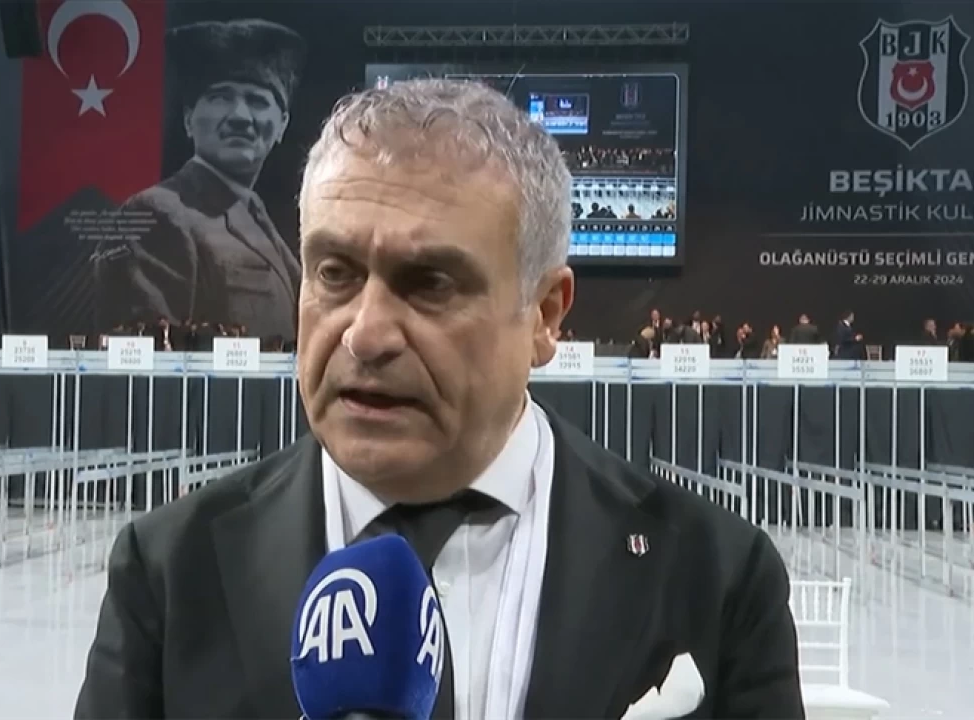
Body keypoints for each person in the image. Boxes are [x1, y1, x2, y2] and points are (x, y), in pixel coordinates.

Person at [74, 78, 804, 719]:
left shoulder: (715, 575)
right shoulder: (170, 570)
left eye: (430, 284)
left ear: (545, 315)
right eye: (334, 273)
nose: (365, 334)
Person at [92, 19, 306, 340]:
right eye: (220, 97)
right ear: (188, 119)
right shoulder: (156, 212)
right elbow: (146, 354)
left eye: (258, 100)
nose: (240, 116)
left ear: (282, 125)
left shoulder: (256, 213)